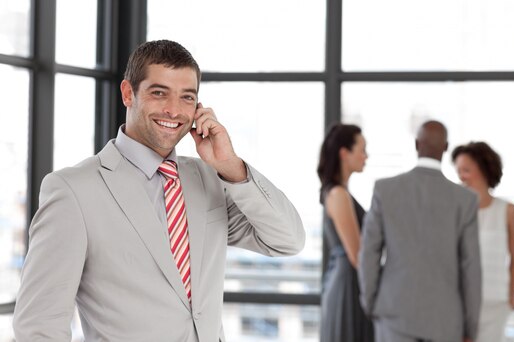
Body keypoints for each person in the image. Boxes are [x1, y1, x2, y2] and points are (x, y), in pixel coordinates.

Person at [13, 40, 305, 342]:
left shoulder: (210, 179)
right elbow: (39, 326)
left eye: (187, 97)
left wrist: (231, 165)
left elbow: (287, 240)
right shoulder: (74, 191)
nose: (174, 110)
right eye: (159, 93)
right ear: (128, 93)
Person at [359, 120, 481, 342]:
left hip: (393, 313)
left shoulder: (385, 190)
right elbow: (471, 267)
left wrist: (371, 302)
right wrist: (470, 328)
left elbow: (369, 252)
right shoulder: (465, 200)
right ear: (446, 147)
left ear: (417, 144)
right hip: (445, 321)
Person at [452, 141, 514, 342]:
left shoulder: (508, 210)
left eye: (466, 170)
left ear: (483, 168)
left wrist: (511, 298)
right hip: (461, 303)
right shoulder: (456, 211)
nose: (461, 176)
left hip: (496, 303)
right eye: (458, 171)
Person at [316, 123, 374, 342]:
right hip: (348, 284)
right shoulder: (338, 194)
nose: (366, 156)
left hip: (347, 281)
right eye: (362, 149)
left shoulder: (340, 192)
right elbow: (357, 255)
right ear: (344, 153)